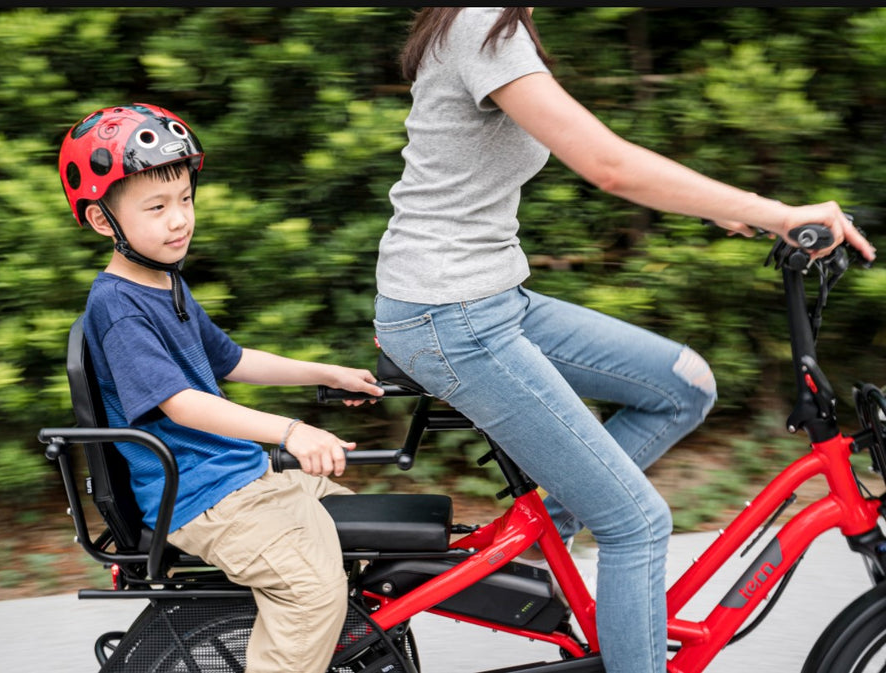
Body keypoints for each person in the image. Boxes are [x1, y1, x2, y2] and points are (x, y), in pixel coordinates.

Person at [372, 8, 876, 673]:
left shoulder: (490, 25)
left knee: (683, 384)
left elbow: (598, 151)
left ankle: (549, 530)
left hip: (490, 297)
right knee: (637, 523)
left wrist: (730, 205)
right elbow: (608, 164)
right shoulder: (481, 21)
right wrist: (776, 211)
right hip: (450, 312)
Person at [58, 102, 384, 673]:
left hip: (241, 478)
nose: (179, 219)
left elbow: (230, 360)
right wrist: (291, 430)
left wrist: (324, 373)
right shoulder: (120, 306)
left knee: (379, 544)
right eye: (156, 207)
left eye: (184, 199)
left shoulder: (165, 284)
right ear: (103, 221)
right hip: (201, 498)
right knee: (312, 591)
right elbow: (180, 406)